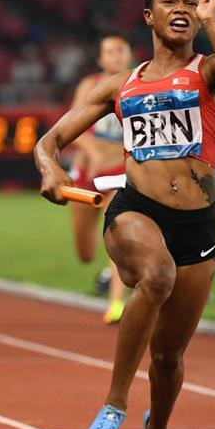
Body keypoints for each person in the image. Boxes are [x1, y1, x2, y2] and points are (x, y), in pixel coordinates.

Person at [34, 0, 215, 429]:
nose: (183, 8)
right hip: (134, 210)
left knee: (169, 357)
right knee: (155, 277)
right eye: (171, 1)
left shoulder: (211, 72)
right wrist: (50, 168)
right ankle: (114, 402)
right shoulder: (122, 84)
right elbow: (49, 140)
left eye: (192, 2)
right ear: (149, 16)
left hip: (198, 225)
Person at [68, 35, 132, 323]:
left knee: (117, 234)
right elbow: (73, 127)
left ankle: (116, 303)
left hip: (120, 173)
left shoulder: (138, 84)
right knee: (84, 251)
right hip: (87, 175)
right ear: (100, 58)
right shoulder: (89, 86)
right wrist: (93, 154)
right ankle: (104, 271)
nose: (116, 56)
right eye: (110, 51)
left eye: (121, 50)